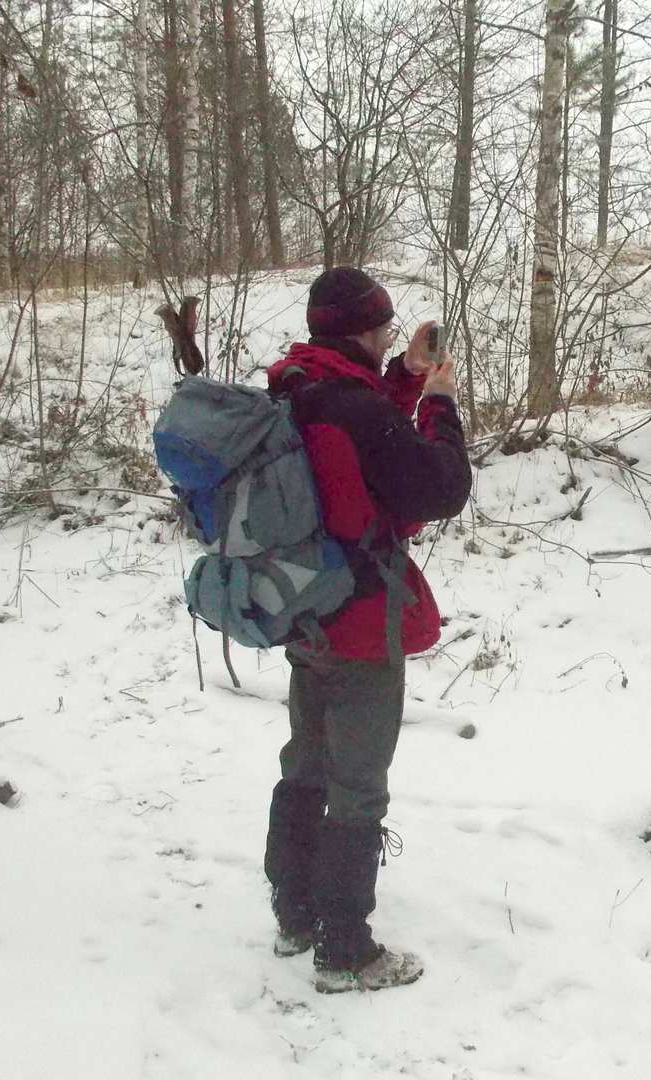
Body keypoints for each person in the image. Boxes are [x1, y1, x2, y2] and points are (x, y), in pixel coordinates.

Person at [262, 267, 472, 993]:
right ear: (359, 330)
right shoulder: (355, 409)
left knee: (305, 763)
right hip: (358, 619)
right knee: (358, 787)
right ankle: (345, 950)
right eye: (383, 329)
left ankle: (295, 914)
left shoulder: (295, 387)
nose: (389, 337)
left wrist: (404, 378)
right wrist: (439, 403)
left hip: (301, 608)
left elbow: (359, 437)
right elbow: (441, 486)